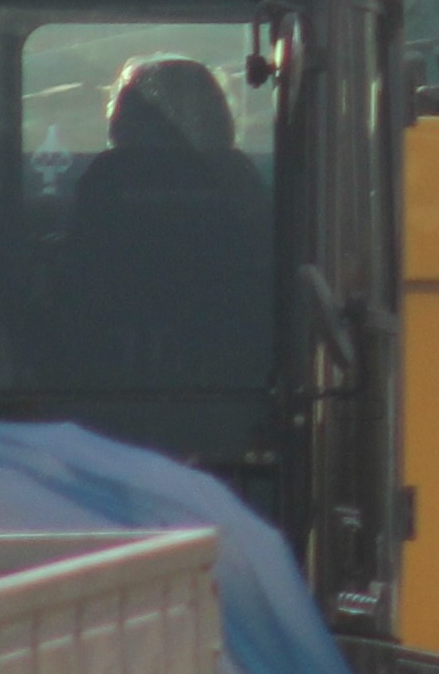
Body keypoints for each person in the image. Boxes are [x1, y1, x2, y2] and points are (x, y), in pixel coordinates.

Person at [49, 58, 277, 458]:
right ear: (216, 114)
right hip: (227, 377)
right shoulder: (236, 177)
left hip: (112, 378)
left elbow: (78, 275)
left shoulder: (108, 176)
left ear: (123, 115)